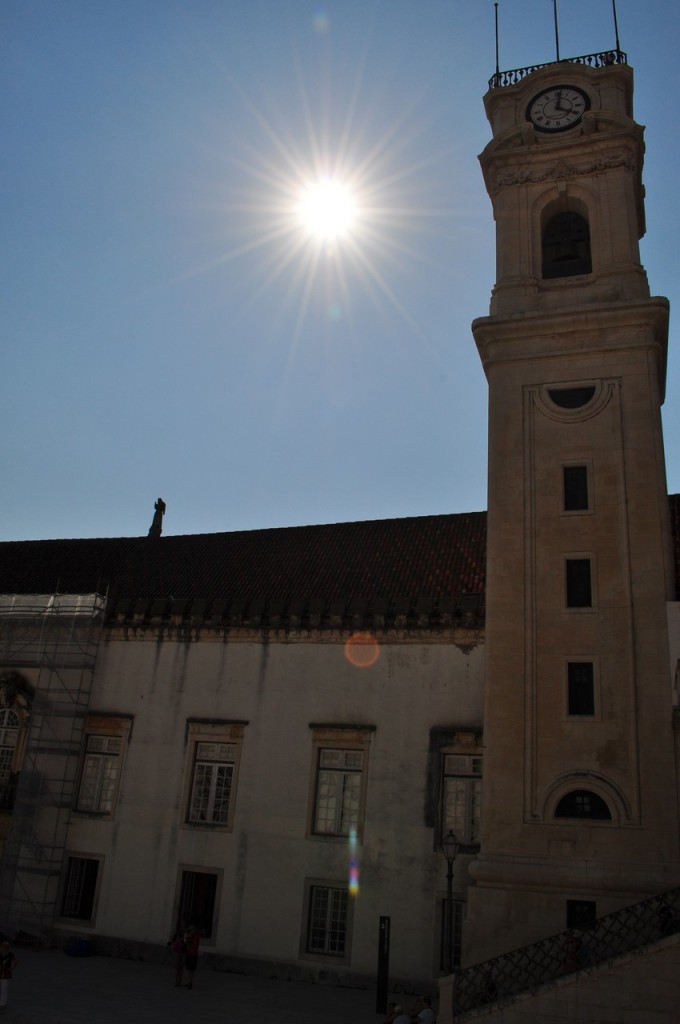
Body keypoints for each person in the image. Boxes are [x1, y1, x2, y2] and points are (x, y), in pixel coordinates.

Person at [0, 940, 18, 1014]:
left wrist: (12, 968)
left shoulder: (10, 954)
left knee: (4, 989)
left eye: (6, 947)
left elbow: (16, 960)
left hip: (6, 973)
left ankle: (2, 1005)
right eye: (3, 947)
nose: (5, 948)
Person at [183, 924, 200, 989]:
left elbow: (194, 945)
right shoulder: (190, 935)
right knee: (189, 969)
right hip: (189, 953)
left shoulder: (196, 936)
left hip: (193, 954)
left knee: (192, 969)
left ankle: (190, 982)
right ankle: (189, 981)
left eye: (191, 929)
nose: (190, 931)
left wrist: (189, 944)